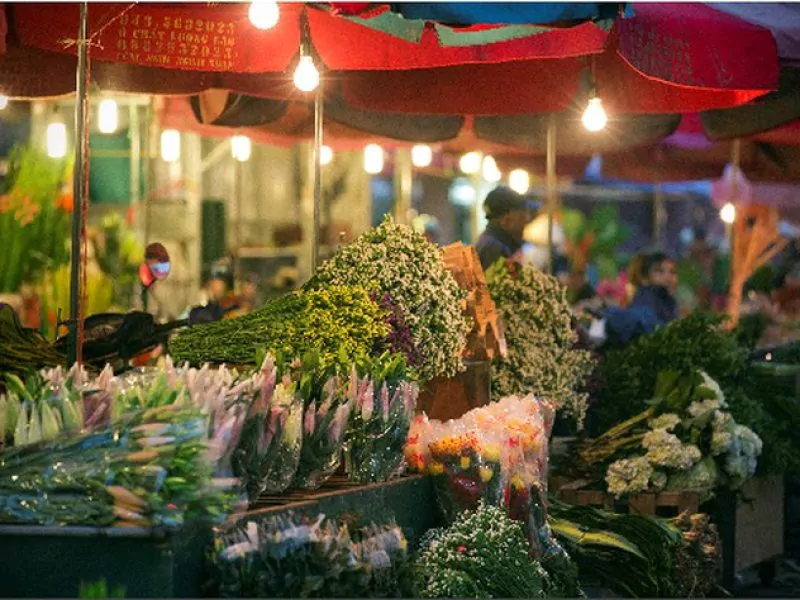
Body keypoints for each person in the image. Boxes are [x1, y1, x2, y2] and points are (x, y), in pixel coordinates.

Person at [475, 186, 539, 270]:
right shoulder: (493, 249)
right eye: (522, 214)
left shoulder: (493, 243)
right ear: (506, 218)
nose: (527, 219)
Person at [629, 251, 679, 325]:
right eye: (659, 271)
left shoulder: (667, 301)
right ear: (645, 279)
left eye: (672, 272)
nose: (668, 278)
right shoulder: (645, 300)